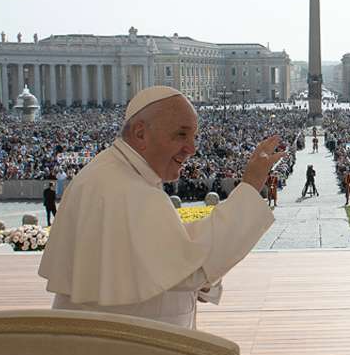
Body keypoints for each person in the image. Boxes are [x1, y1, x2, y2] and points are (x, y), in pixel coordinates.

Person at [38, 86, 284, 329]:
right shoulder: (125, 188)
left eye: (193, 136)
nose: (192, 148)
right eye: (181, 134)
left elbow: (163, 249)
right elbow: (191, 268)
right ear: (141, 134)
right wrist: (251, 184)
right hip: (126, 354)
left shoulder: (113, 174)